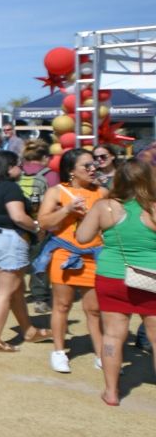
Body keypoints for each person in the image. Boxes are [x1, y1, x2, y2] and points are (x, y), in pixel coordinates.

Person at [76, 159, 156, 405]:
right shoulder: (153, 207)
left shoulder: (104, 206)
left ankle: (111, 392)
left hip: (112, 276)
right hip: (150, 277)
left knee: (112, 335)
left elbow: (82, 237)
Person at [36, 148, 105, 374]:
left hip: (94, 255)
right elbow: (44, 222)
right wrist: (67, 209)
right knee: (62, 305)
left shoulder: (102, 192)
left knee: (94, 309)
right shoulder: (57, 192)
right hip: (64, 254)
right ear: (71, 171)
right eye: (87, 166)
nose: (93, 169)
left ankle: (102, 355)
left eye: (94, 164)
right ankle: (58, 351)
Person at [0, 151, 52, 352]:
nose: (22, 169)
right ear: (9, 167)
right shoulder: (10, 188)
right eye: (19, 165)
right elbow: (18, 216)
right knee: (5, 292)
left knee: (16, 288)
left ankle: (28, 330)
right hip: (9, 239)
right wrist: (37, 227)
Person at [20, 138, 59, 315]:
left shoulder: (17, 171)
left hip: (18, 223)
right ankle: (40, 299)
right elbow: (56, 200)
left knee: (12, 260)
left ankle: (1, 294)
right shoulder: (50, 175)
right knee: (41, 260)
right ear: (44, 157)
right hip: (41, 225)